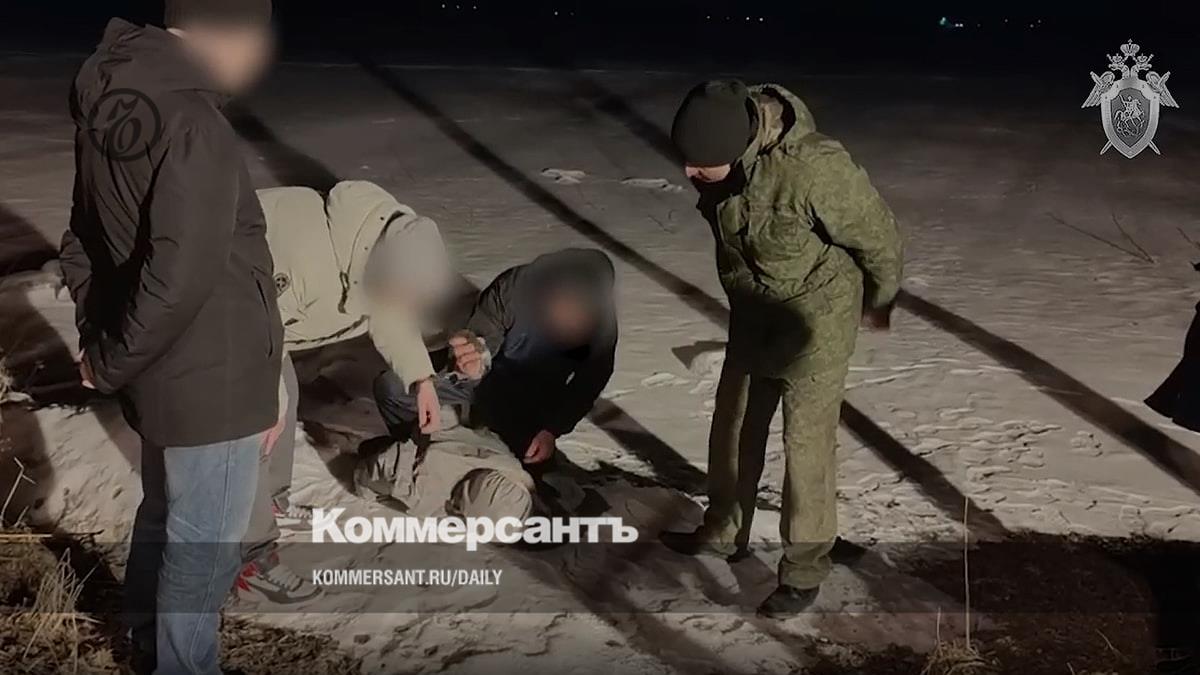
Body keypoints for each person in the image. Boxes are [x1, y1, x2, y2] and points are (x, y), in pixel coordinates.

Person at [58, 2, 279, 673]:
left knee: (166, 513)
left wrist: (107, 344)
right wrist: (109, 358)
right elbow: (181, 277)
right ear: (226, 32)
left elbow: (82, 239)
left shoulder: (115, 93)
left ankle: (148, 639)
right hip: (212, 373)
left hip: (160, 363)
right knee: (202, 543)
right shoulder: (194, 122)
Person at [659, 80, 903, 617]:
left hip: (817, 320)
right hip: (754, 314)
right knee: (732, 424)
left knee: (806, 444)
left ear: (736, 147)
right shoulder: (723, 158)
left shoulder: (815, 169)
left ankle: (805, 567)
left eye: (701, 163)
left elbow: (879, 236)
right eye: (687, 161)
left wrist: (881, 299)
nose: (689, 173)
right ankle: (724, 531)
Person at [238, 180, 457, 603]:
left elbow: (391, 311)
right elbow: (250, 327)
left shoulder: (388, 244)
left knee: (285, 399)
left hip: (269, 330)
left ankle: (272, 501)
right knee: (251, 434)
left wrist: (421, 379)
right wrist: (266, 405)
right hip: (224, 323)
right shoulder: (306, 255)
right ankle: (249, 561)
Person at [431, 248, 618, 472]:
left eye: (581, 315)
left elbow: (589, 381)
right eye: (566, 308)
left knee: (528, 462)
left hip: (533, 395)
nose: (571, 321)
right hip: (487, 375)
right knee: (408, 398)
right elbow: (482, 336)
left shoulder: (602, 325)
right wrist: (474, 362)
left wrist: (552, 429)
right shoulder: (513, 290)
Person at [357, 370, 534, 521]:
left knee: (390, 387)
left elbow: (365, 478)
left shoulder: (420, 492)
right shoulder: (511, 477)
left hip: (429, 431)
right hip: (453, 414)